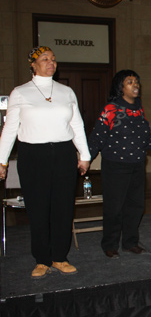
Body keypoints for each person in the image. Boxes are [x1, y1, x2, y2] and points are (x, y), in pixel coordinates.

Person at [0, 46, 90, 278]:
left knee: (62, 207)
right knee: (38, 208)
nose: (51, 62)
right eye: (44, 59)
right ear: (33, 64)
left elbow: (77, 125)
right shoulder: (20, 93)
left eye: (53, 59)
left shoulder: (67, 92)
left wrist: (85, 155)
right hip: (33, 156)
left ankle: (60, 257)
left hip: (63, 154)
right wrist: (1, 161)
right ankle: (41, 259)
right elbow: (10, 129)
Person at [88, 70, 151, 259]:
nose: (135, 84)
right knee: (114, 207)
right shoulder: (111, 109)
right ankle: (110, 245)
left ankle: (130, 242)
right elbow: (97, 138)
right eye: (130, 82)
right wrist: (85, 159)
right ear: (121, 87)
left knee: (135, 206)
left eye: (137, 81)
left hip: (136, 165)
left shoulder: (139, 108)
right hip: (115, 166)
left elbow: (145, 138)